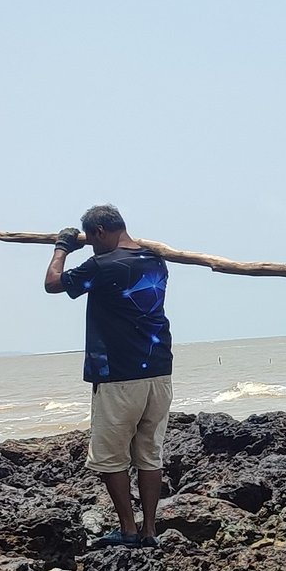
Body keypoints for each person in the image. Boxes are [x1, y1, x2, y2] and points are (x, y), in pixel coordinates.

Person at [43, 204, 173, 549]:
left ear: (99, 232)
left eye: (93, 239)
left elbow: (53, 284)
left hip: (118, 375)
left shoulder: (102, 265)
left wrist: (62, 247)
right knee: (149, 454)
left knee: (110, 458)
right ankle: (149, 531)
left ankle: (129, 530)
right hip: (159, 372)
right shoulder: (156, 260)